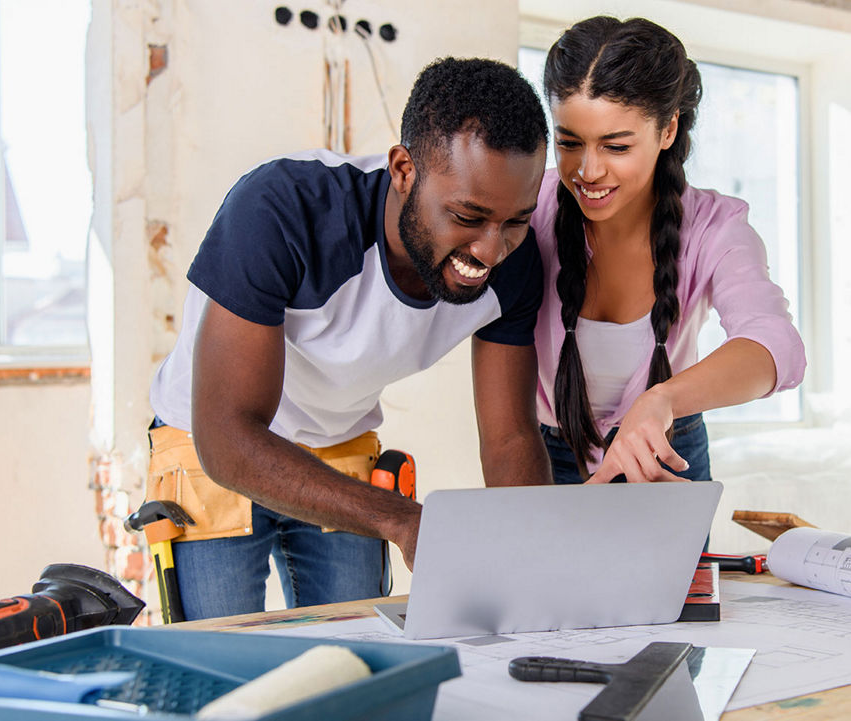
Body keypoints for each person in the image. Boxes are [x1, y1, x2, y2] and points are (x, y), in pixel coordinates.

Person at [144, 58, 551, 621]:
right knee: (220, 667)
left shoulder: (516, 263)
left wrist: (537, 563)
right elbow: (229, 435)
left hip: (339, 441)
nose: (490, 250)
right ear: (404, 170)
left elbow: (509, 438)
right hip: (210, 441)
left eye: (515, 220)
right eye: (467, 215)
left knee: (356, 659)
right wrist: (402, 519)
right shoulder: (281, 210)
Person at [532, 17, 806, 485]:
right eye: (569, 143)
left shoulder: (716, 227)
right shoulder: (530, 207)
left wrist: (663, 400)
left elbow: (777, 348)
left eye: (616, 145)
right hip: (548, 452)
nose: (588, 170)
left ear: (668, 130)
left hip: (666, 451)